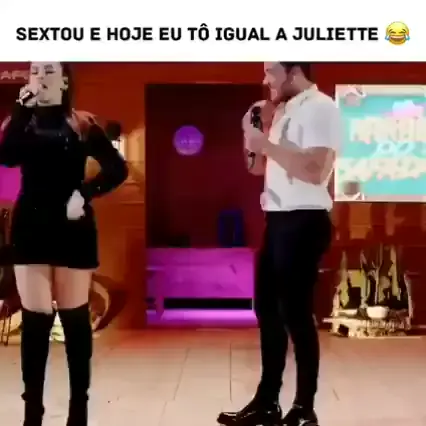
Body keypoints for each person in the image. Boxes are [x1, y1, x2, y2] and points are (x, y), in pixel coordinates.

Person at [0, 62, 128, 426]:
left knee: (74, 321)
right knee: (35, 322)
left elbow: (117, 169)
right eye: (35, 70)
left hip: (72, 225)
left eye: (48, 70)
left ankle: (78, 411)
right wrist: (20, 109)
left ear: (65, 80)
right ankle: (32, 413)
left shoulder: (82, 123)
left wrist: (85, 192)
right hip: (31, 227)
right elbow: (6, 157)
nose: (40, 76)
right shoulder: (19, 122)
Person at [217, 63, 340, 426]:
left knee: (296, 314)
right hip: (278, 220)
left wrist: (267, 144)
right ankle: (267, 403)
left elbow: (316, 171)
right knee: (267, 310)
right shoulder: (283, 111)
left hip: (305, 219)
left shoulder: (321, 107)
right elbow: (257, 168)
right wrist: (251, 135)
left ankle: (304, 408)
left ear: (294, 71)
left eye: (271, 72)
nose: (265, 80)